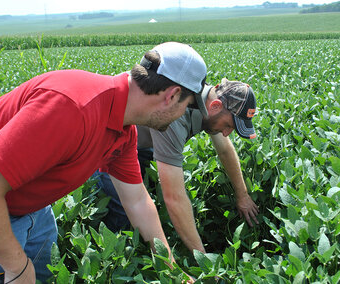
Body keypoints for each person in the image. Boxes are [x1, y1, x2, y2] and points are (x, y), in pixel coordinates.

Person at [0, 41, 207, 283]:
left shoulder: (123, 129)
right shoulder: (72, 107)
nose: (185, 114)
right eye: (189, 105)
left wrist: (172, 270)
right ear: (171, 96)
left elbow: (137, 202)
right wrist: (17, 266)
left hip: (28, 209)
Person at [95, 78, 260, 254]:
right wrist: (204, 261)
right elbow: (174, 198)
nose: (227, 133)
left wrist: (242, 195)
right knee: (123, 207)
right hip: (107, 140)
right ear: (216, 106)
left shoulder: (208, 100)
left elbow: (225, 150)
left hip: (140, 141)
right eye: (228, 125)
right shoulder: (176, 116)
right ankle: (107, 253)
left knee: (145, 195)